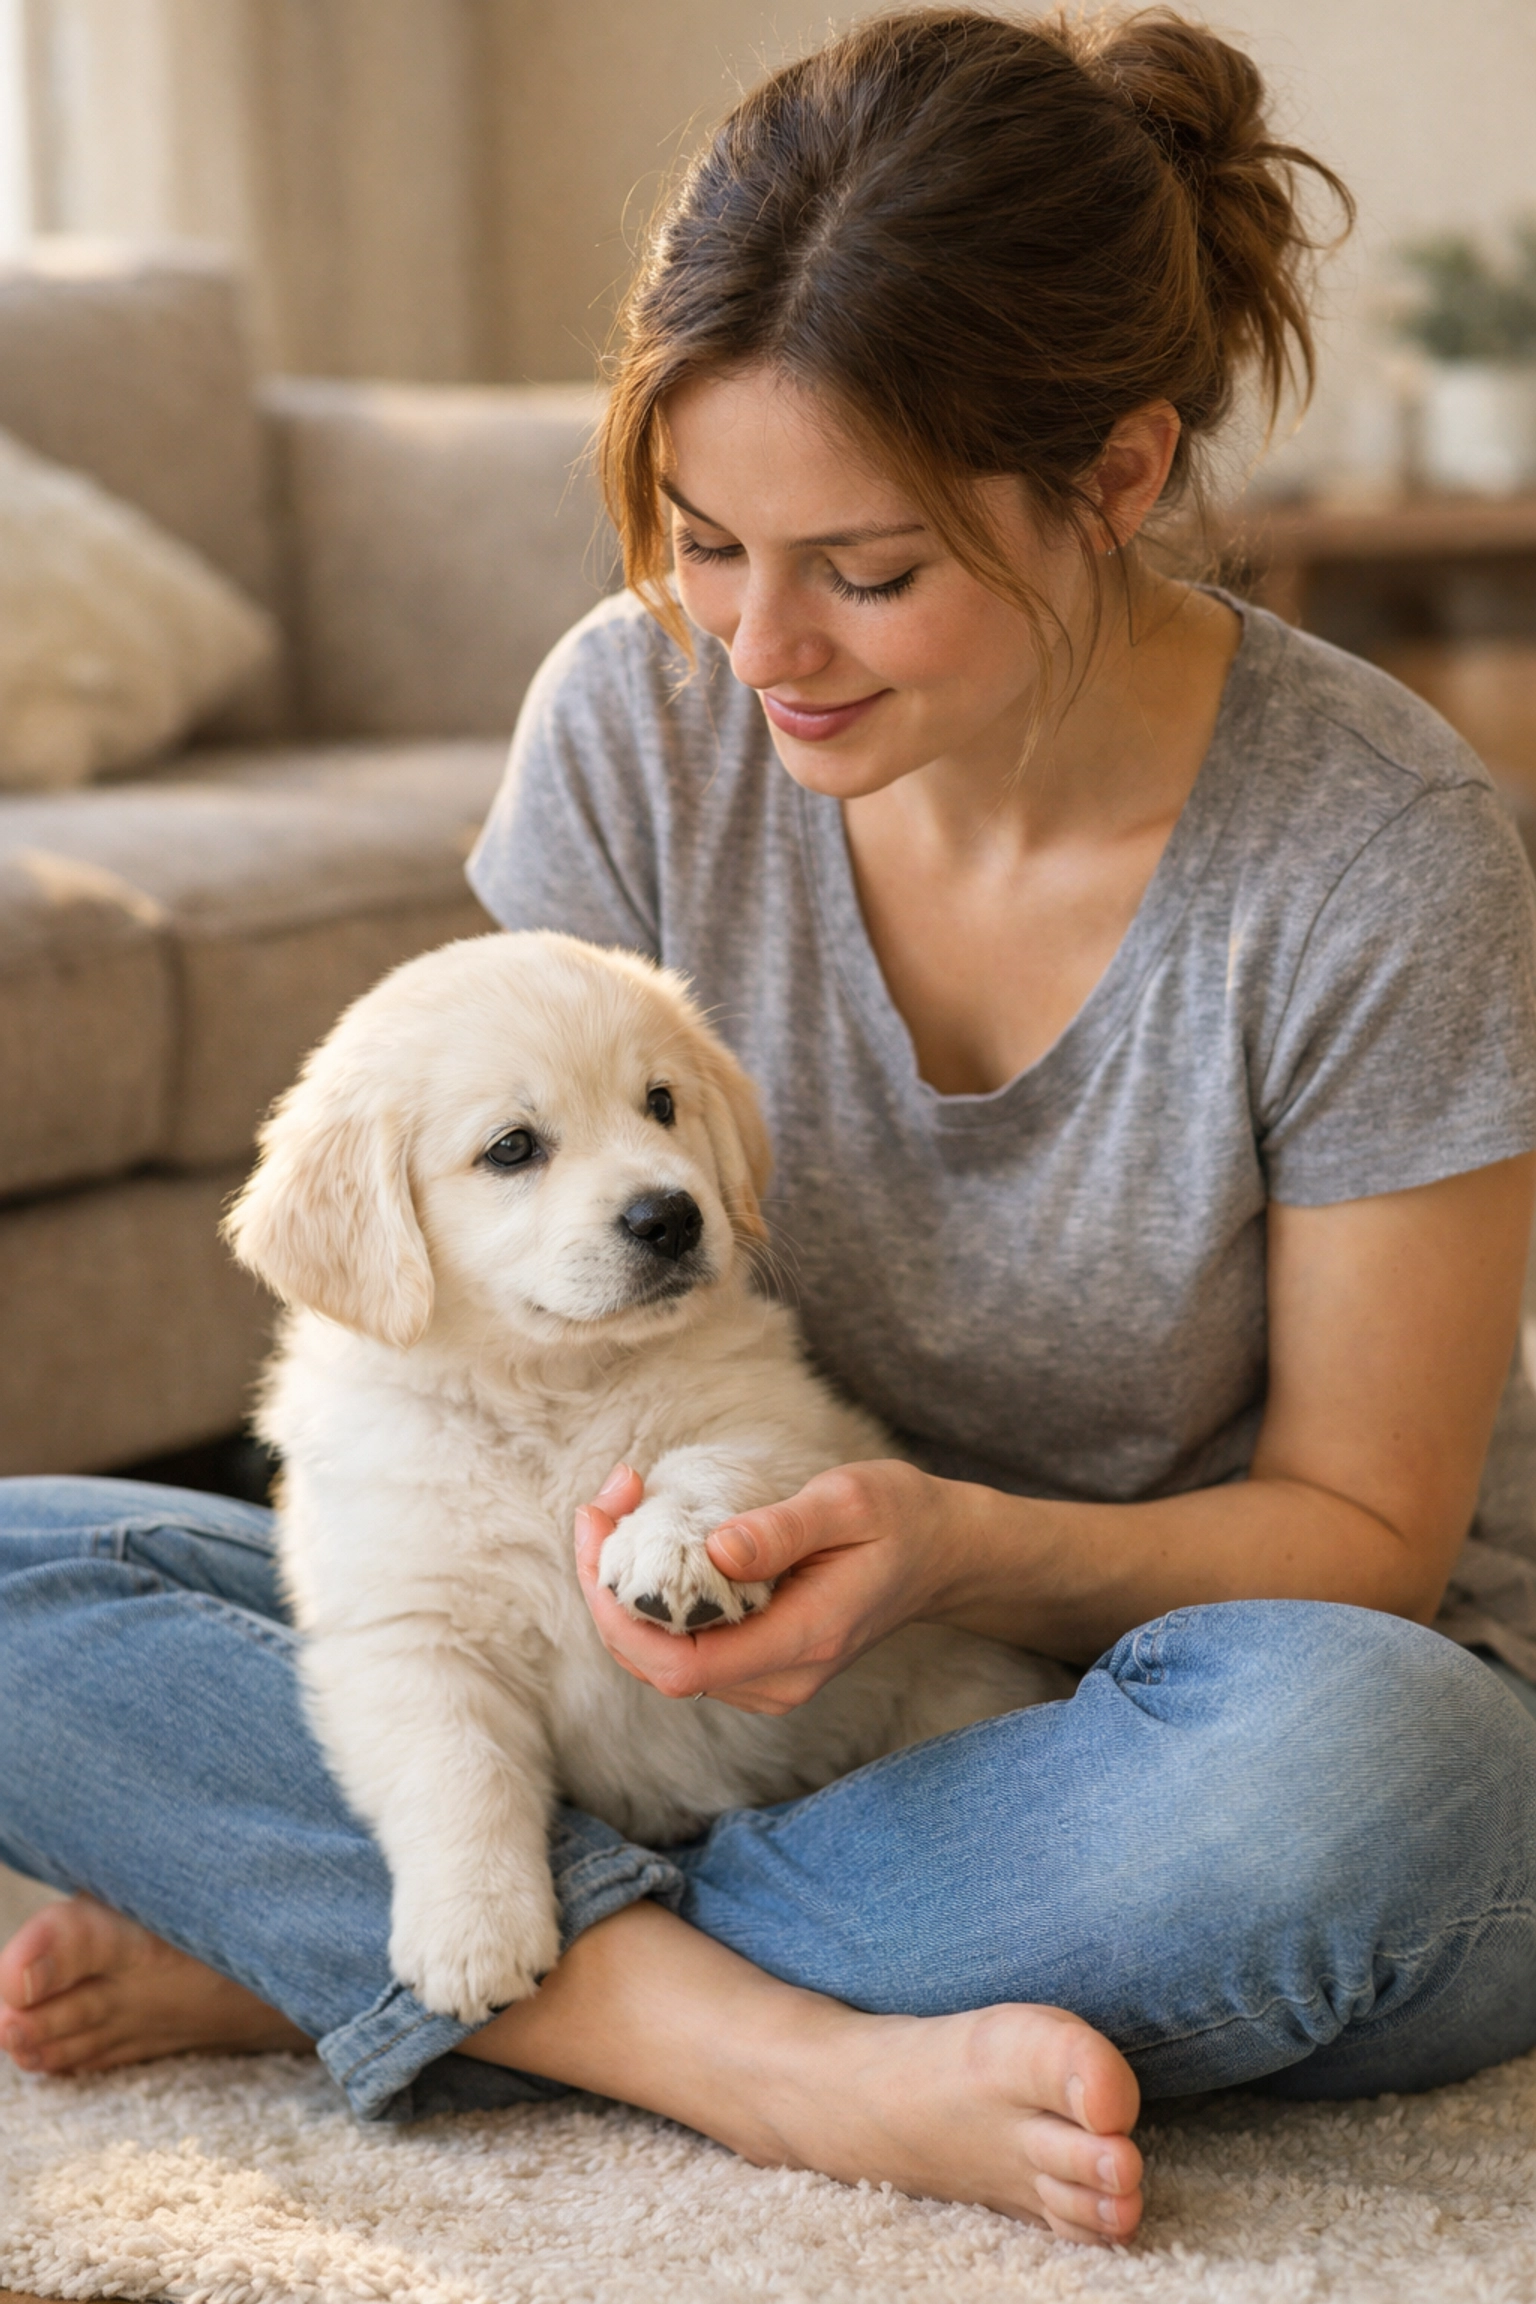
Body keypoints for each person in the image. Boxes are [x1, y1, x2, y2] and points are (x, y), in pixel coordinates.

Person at [5, 6, 1536, 2250]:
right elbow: (464, 1292)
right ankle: (733, 2038)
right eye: (710, 542)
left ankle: (412, 1954)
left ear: (1114, 477)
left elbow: (1369, 1538)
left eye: (869, 570)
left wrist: (941, 1547)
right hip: (639, 1659)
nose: (759, 646)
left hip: (1123, 1710)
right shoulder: (640, 713)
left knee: (1360, 1794)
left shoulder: (1374, 850)